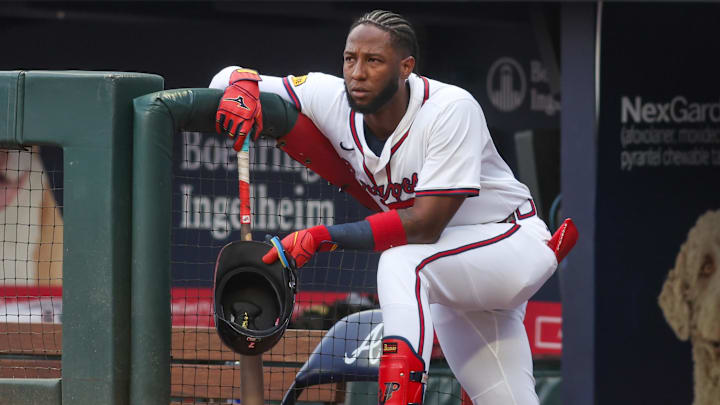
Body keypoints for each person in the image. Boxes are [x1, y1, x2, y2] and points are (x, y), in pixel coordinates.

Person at [210, 10, 573, 405]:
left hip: (508, 242)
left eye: (374, 61)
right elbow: (227, 79)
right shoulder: (328, 97)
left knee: (402, 261)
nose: (358, 72)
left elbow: (424, 225)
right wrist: (238, 84)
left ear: (406, 68)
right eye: (351, 59)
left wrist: (320, 237)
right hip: (453, 270)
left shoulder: (451, 108)